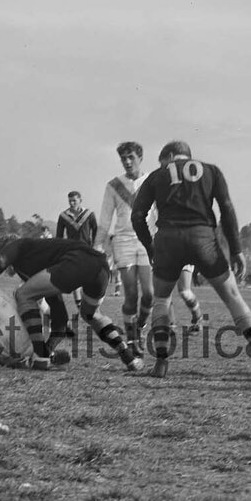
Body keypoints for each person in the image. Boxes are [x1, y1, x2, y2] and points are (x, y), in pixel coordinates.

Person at [131, 140, 251, 380]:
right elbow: (226, 208)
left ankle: (161, 362)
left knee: (162, 299)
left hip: (168, 240)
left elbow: (137, 216)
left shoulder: (155, 176)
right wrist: (236, 249)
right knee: (233, 296)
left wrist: (150, 247)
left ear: (171, 156)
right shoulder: (211, 170)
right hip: (203, 238)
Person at [0, 235, 145, 372]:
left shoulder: (18, 245)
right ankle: (128, 356)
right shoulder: (40, 258)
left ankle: (41, 357)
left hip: (77, 260)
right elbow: (60, 318)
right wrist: (50, 346)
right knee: (92, 315)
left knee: (23, 295)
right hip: (100, 267)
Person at [95, 141, 155, 358]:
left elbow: (161, 211)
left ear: (140, 157)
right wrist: (98, 246)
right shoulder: (113, 185)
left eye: (131, 157)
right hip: (123, 241)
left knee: (149, 294)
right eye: (123, 159)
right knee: (131, 294)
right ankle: (131, 340)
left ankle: (139, 326)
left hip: (147, 241)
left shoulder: (152, 181)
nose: (127, 162)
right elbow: (104, 219)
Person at [56, 191, 98, 313]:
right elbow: (59, 236)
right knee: (75, 278)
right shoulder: (63, 216)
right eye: (70, 201)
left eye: (74, 200)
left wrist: (95, 245)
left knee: (89, 278)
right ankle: (80, 306)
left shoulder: (89, 214)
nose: (72, 203)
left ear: (80, 200)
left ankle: (89, 303)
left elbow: (96, 229)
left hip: (87, 250)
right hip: (71, 250)